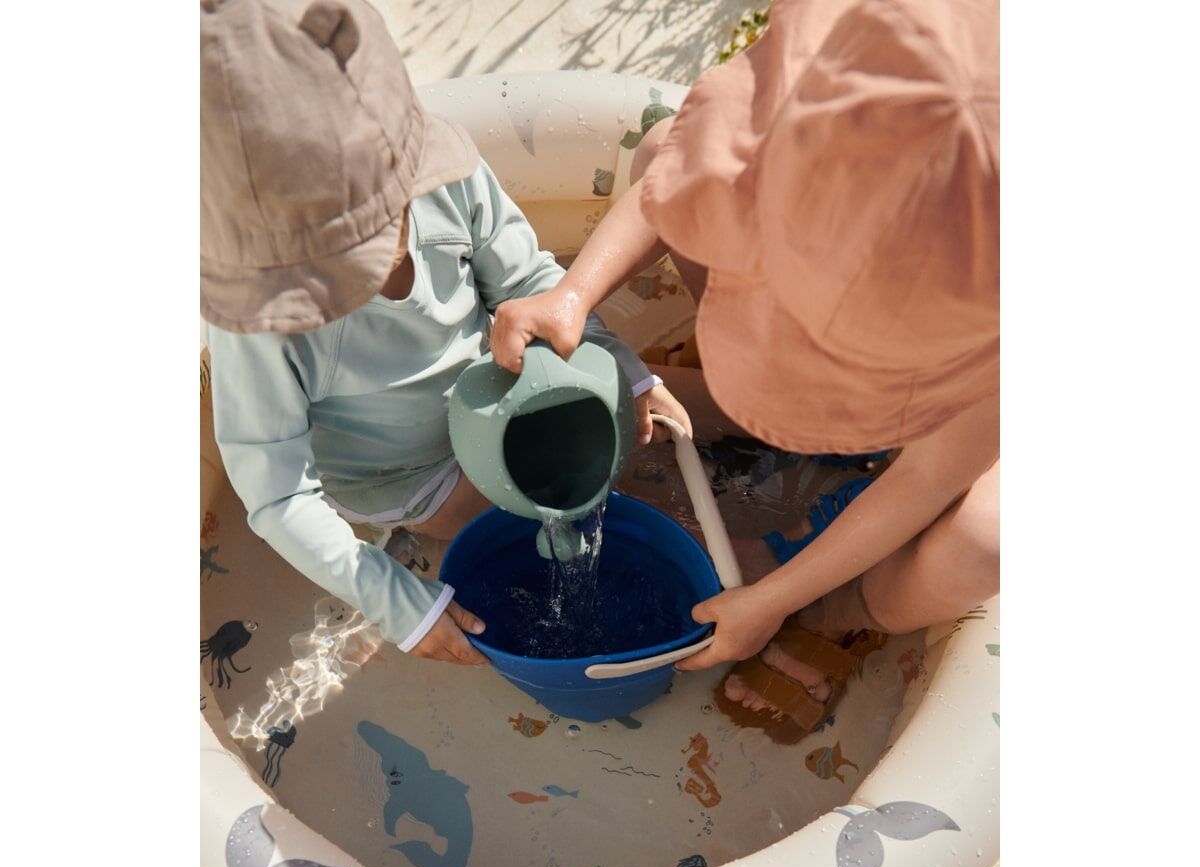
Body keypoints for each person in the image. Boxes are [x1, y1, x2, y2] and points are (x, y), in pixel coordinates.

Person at [490, 0, 998, 736]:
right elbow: (671, 177)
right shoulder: (805, 116)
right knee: (660, 148)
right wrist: (573, 295)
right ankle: (756, 413)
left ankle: (840, 609)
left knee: (990, 537)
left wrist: (776, 599)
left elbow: (929, 477)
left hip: (974, 422)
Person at [200, 0, 690, 667]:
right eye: (334, 257)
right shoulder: (260, 323)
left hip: (501, 385)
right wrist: (399, 601)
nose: (379, 254)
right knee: (581, 527)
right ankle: (724, 568)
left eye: (383, 220)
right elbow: (280, 494)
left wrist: (620, 365)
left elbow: (529, 283)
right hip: (412, 475)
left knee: (653, 422)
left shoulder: (444, 180)